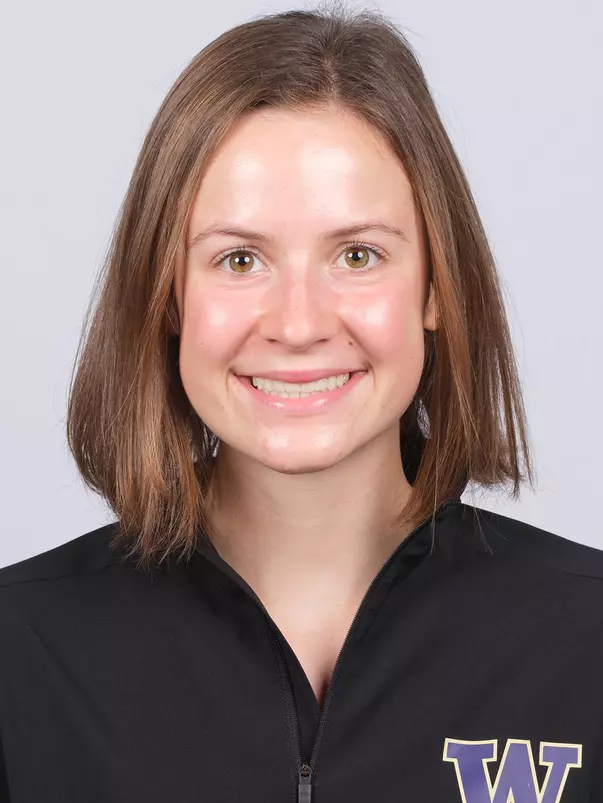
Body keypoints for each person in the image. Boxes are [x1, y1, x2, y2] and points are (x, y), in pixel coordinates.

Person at [1, 3, 602, 801]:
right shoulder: (21, 653)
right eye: (239, 259)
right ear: (168, 294)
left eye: (356, 255)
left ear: (435, 287)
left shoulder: (585, 639)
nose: (297, 323)